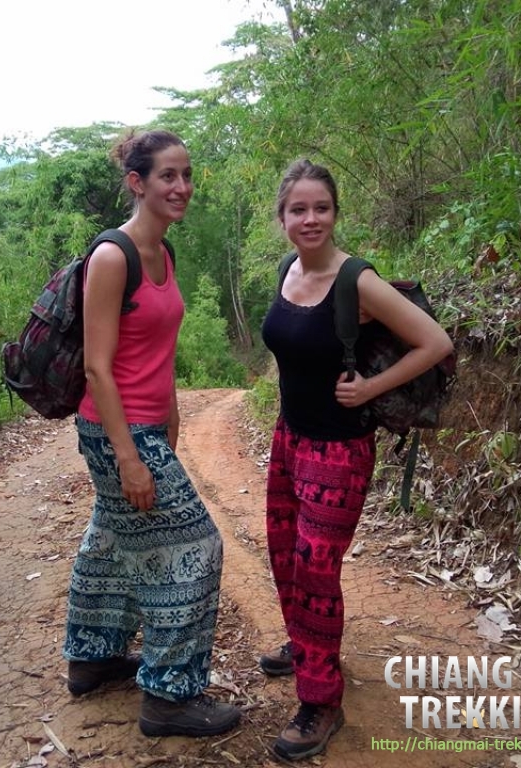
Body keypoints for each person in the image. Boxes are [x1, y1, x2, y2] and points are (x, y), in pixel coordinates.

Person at [258, 159, 454, 761]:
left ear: (335, 213)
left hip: (340, 449)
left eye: (321, 208)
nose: (310, 219)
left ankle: (321, 701)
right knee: (284, 552)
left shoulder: (357, 281)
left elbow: (436, 342)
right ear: (283, 217)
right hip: (290, 439)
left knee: (315, 566)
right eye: (298, 209)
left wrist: (370, 388)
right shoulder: (289, 271)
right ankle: (306, 645)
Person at [61, 129, 241, 739]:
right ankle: (169, 697)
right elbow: (97, 367)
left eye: (186, 174)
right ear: (137, 183)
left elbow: (156, 350)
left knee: (113, 537)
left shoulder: (164, 253)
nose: (182, 186)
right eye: (168, 175)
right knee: (197, 547)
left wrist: (171, 413)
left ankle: (93, 658)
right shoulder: (114, 257)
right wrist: (129, 456)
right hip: (116, 430)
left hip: (147, 426)